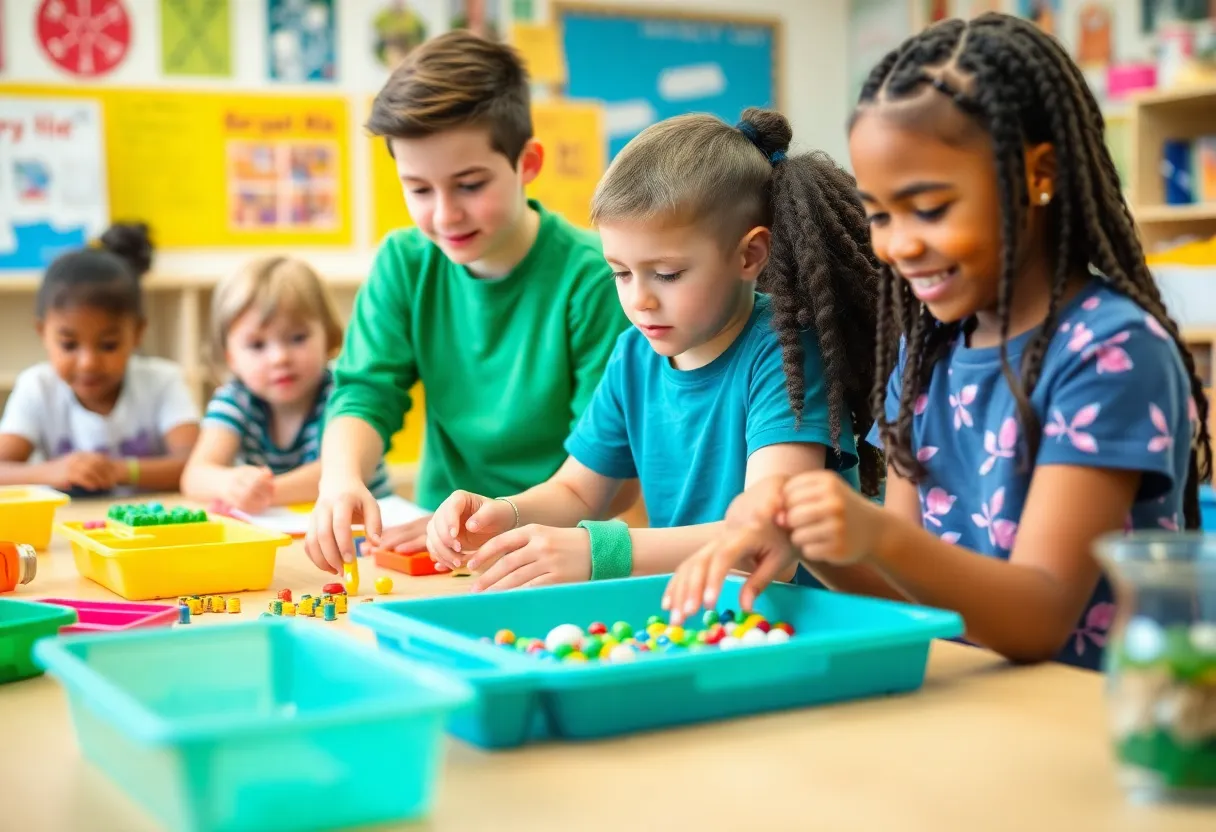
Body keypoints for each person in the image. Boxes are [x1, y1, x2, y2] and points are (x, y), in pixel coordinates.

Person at [665, 14, 1211, 672]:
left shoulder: (1111, 352)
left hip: (1087, 722)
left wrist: (872, 533)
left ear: (1038, 174)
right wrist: (813, 539)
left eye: (930, 208)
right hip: (972, 703)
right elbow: (911, 597)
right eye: (880, 215)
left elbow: (1040, 618)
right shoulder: (926, 355)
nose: (898, 245)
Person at [424, 107, 883, 592]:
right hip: (708, 622)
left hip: (806, 629)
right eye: (620, 272)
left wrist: (599, 550)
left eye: (666, 274)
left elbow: (765, 545)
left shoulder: (785, 351)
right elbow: (578, 492)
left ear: (749, 255)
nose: (639, 299)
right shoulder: (634, 356)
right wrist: (504, 513)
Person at [304, 30, 630, 574]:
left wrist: (497, 524)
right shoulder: (404, 262)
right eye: (420, 189)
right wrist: (340, 479)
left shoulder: (598, 277)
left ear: (527, 163)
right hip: (439, 538)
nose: (445, 215)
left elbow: (609, 477)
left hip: (557, 548)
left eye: (470, 184)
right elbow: (365, 393)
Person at [181, 257, 392, 513]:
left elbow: (337, 474)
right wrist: (228, 484)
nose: (279, 358)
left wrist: (265, 492)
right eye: (257, 345)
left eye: (297, 338)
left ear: (331, 338)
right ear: (231, 357)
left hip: (366, 533)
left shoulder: (343, 393)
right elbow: (194, 476)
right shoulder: (235, 400)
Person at [0, 223, 200, 493]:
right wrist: (53, 471)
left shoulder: (162, 381)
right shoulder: (37, 386)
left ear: (138, 333)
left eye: (108, 345)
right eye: (69, 345)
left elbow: (196, 465)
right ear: (42, 333)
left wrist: (119, 470)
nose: (88, 363)